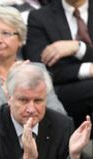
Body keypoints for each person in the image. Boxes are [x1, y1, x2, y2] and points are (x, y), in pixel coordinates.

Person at [0, 5, 66, 137]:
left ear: (20, 39)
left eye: (6, 33)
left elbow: (59, 115)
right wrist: (7, 86)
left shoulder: (36, 71)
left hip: (29, 143)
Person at [25, 0, 93, 129]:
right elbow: (40, 70)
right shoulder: (40, 17)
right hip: (60, 90)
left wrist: (78, 48)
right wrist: (88, 69)